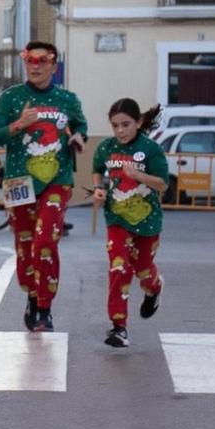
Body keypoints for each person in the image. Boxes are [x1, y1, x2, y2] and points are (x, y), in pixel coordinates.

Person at [0, 41, 88, 332]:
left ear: (54, 65)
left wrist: (79, 138)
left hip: (57, 180)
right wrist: (18, 124)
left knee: (45, 242)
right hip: (19, 181)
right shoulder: (10, 98)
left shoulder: (67, 99)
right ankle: (32, 294)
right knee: (25, 245)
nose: (36, 65)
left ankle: (45, 307)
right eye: (30, 59)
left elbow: (80, 126)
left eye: (43, 60)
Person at [89, 100, 171, 349]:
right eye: (115, 126)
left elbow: (162, 184)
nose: (120, 131)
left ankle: (154, 288)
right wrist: (99, 189)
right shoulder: (106, 148)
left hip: (147, 221)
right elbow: (97, 170)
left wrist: (138, 176)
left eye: (125, 124)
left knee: (143, 271)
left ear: (137, 122)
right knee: (119, 268)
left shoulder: (150, 149)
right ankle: (119, 326)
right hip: (116, 218)